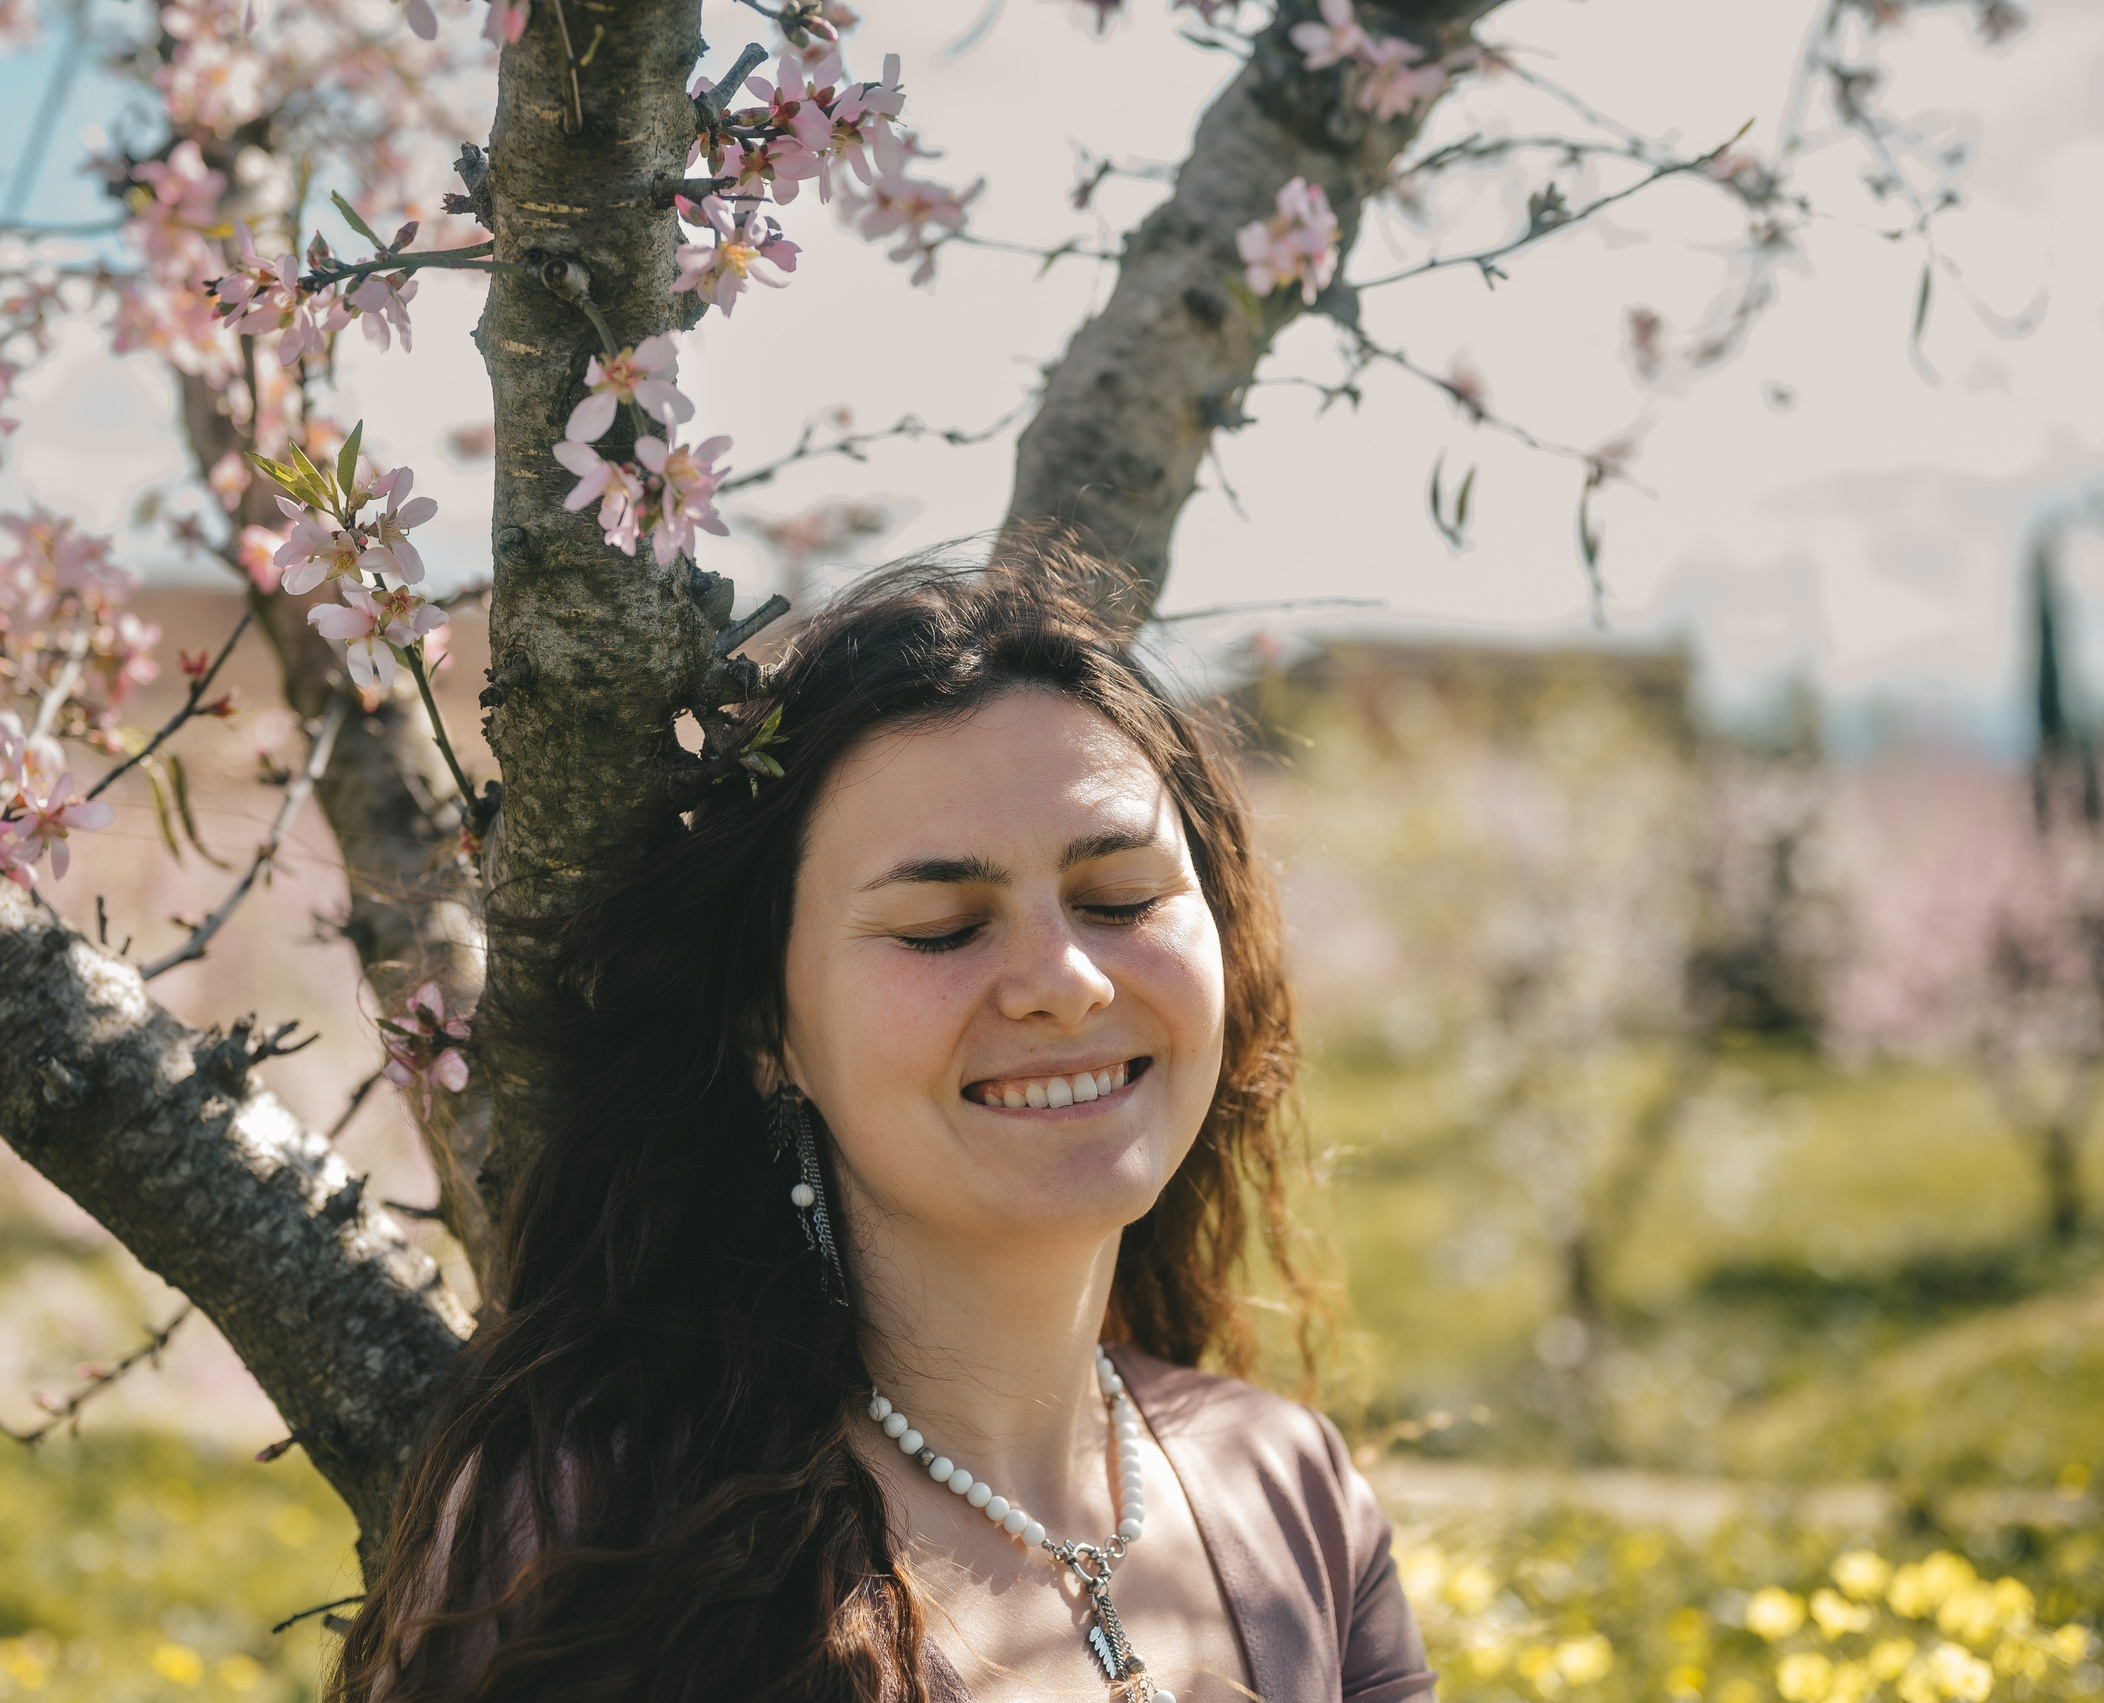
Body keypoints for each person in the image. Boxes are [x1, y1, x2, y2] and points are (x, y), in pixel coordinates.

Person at [333, 551, 1438, 1702]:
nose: (1066, 982)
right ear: (769, 1027)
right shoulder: (596, 1529)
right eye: (941, 925)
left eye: (1119, 899)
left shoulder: (1293, 1489)